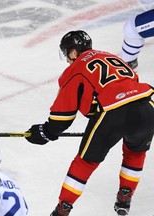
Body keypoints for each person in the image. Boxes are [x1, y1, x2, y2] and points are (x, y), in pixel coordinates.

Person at [25, 30, 154, 216]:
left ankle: (63, 208)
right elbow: (130, 85)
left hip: (113, 110)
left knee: (86, 162)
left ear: (74, 52)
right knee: (135, 152)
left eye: (67, 54)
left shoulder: (75, 69)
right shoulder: (111, 57)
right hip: (147, 106)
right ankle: (125, 196)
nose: (68, 60)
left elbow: (63, 115)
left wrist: (46, 132)